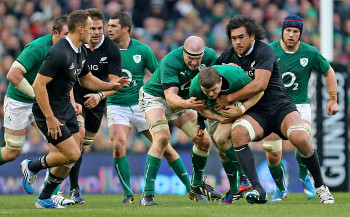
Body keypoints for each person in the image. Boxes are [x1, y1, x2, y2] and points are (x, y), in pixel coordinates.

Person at [215, 15, 334, 204]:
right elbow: (210, 82)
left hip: (280, 106)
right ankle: (258, 189)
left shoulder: (265, 50)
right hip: (256, 112)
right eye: (234, 38)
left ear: (252, 36)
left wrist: (228, 98)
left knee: (300, 137)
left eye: (241, 37)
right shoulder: (227, 57)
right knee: (238, 134)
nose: (237, 42)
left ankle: (321, 186)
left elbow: (260, 85)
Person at [20, 10, 129, 209]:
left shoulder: (80, 50)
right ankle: (31, 166)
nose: (95, 33)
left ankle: (44, 198)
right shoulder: (59, 52)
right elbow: (38, 86)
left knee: (73, 154)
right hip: (50, 111)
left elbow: (85, 79)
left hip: (66, 107)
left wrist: (111, 86)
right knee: (71, 154)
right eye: (90, 28)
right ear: (80, 30)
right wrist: (50, 118)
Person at [107, 12, 193, 204]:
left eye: (113, 26)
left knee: (164, 145)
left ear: (125, 29)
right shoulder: (105, 51)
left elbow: (160, 76)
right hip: (116, 104)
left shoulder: (143, 50)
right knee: (119, 144)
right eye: (108, 25)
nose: (108, 29)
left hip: (140, 104)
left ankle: (191, 188)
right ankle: (128, 194)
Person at [139, 35, 221, 206]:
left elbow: (223, 72)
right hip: (156, 98)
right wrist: (189, 104)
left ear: (203, 53)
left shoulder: (211, 57)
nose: (194, 62)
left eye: (197, 58)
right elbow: (170, 97)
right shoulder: (171, 61)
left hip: (184, 101)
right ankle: (147, 194)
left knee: (204, 141)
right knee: (162, 138)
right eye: (190, 58)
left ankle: (197, 185)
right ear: (183, 52)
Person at [264, 15, 339, 202]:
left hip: (299, 105)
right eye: (287, 30)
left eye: (295, 31)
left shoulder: (310, 53)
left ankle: (305, 174)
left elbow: (328, 71)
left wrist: (332, 99)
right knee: (272, 153)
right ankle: (281, 188)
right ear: (282, 31)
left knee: (302, 139)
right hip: (273, 105)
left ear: (300, 34)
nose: (291, 35)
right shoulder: (268, 51)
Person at [1, 15, 74, 206]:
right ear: (55, 33)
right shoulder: (38, 47)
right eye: (66, 34)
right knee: (11, 152)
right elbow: (12, 74)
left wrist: (71, 100)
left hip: (42, 103)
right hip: (19, 101)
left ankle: (49, 195)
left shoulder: (69, 49)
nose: (69, 39)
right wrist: (37, 96)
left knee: (60, 147)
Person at [66, 8, 122, 204]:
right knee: (77, 138)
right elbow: (69, 77)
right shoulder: (76, 47)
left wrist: (99, 96)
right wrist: (73, 101)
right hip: (75, 99)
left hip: (97, 102)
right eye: (93, 28)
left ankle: (58, 176)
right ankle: (73, 188)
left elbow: (115, 83)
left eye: (100, 28)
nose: (97, 32)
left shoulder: (111, 48)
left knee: (83, 146)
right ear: (86, 28)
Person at [189, 65, 264, 204]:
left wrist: (241, 109)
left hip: (242, 107)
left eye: (214, 90)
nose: (211, 94)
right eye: (207, 91)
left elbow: (259, 92)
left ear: (221, 81)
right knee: (221, 150)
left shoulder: (235, 77)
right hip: (219, 113)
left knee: (220, 138)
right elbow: (200, 108)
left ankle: (244, 178)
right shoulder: (195, 87)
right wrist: (216, 119)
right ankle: (235, 191)